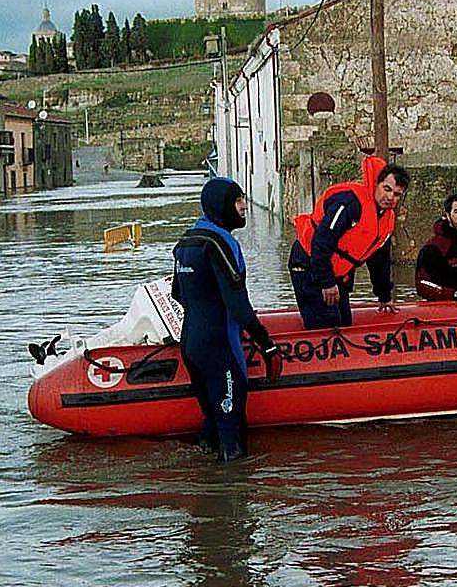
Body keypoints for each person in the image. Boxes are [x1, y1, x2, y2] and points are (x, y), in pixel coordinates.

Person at [172, 177, 282, 462]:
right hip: (219, 346)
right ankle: (233, 498)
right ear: (222, 206)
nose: (244, 206)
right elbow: (237, 305)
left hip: (192, 344)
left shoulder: (186, 241)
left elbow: (178, 294)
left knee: (212, 423)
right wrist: (266, 344)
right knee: (232, 432)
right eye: (238, 201)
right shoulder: (221, 244)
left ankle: (208, 496)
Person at [288, 155, 409, 329]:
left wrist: (384, 296)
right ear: (377, 184)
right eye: (387, 189)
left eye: (397, 194)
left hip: (337, 273)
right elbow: (321, 240)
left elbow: (380, 261)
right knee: (328, 325)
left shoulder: (386, 221)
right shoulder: (349, 203)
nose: (390, 197)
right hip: (309, 263)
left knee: (345, 322)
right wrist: (326, 282)